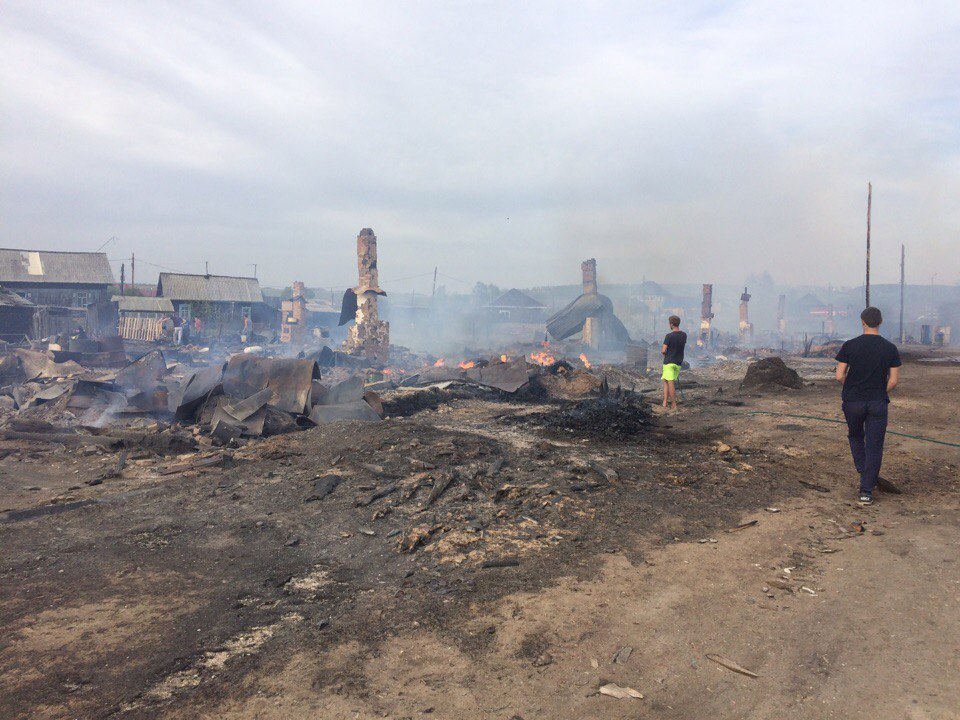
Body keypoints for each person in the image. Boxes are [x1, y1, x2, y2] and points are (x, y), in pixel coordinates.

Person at [835, 306, 902, 505]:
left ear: (862, 321)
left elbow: (839, 375)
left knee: (855, 435)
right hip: (877, 402)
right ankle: (866, 490)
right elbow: (893, 381)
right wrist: (880, 392)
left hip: (853, 401)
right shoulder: (890, 348)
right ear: (880, 322)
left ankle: (864, 472)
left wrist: (854, 387)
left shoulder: (850, 345)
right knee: (874, 445)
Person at [661, 315, 687, 410]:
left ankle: (673, 404)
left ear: (671, 324)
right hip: (678, 362)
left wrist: (666, 355)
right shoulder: (684, 335)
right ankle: (664, 403)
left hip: (669, 363)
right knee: (666, 381)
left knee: (670, 382)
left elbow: (663, 350)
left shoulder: (669, 336)